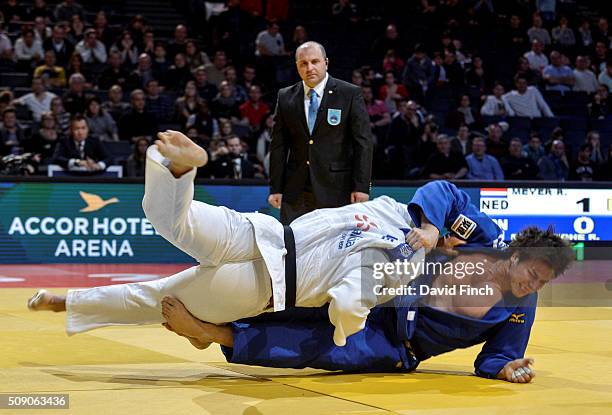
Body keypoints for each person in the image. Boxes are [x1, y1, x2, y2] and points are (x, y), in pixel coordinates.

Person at [29, 129, 440, 348]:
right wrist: (343, 331)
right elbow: (350, 303)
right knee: (158, 298)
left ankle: (178, 170)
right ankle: (67, 302)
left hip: (261, 233)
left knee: (171, 219)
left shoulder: (390, 206)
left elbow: (438, 193)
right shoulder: (404, 266)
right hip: (265, 286)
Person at [159, 225, 572, 385]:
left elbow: (495, 356)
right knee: (296, 299)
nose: (530, 285)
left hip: (395, 346)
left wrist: (505, 366)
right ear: (516, 255)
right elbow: (439, 200)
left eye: (541, 282)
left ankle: (211, 333)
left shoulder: (522, 306)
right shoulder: (479, 245)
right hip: (383, 292)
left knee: (316, 348)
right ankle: (221, 317)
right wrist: (431, 231)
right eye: (531, 274)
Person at [269, 41, 374, 224]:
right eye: (304, 63)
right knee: (294, 245)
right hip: (295, 189)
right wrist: (275, 188)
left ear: (326, 62)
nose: (310, 68)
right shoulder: (285, 96)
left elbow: (363, 143)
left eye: (315, 61)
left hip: (337, 188)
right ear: (297, 67)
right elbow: (278, 146)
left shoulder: (349, 94)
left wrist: (361, 186)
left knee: (334, 247)